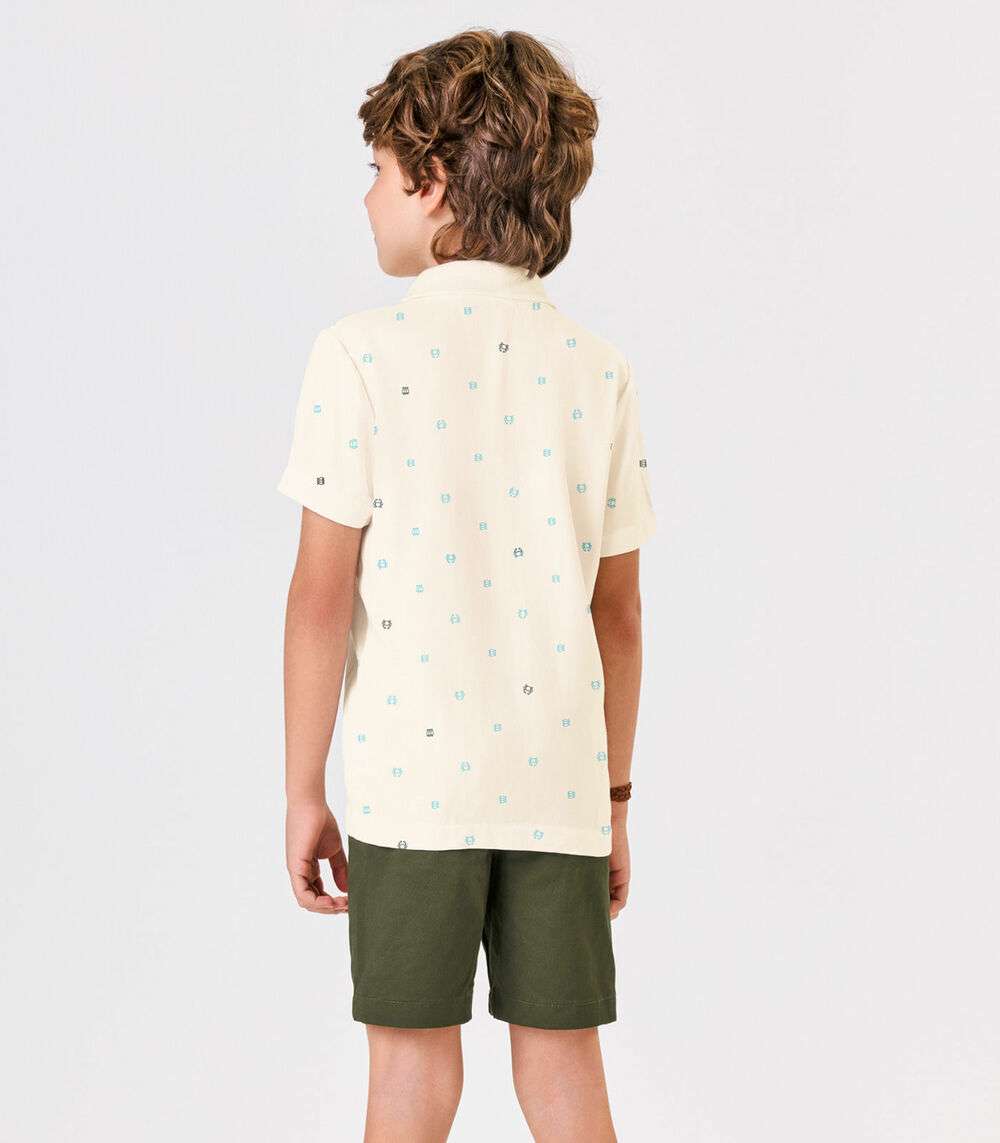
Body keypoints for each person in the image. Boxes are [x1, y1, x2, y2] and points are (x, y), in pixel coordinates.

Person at [276, 28, 656, 1142]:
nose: (367, 199)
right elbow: (619, 617)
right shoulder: (597, 370)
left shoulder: (358, 355)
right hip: (558, 787)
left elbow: (318, 598)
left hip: (413, 788)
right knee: (563, 1075)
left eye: (379, 172)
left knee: (409, 1076)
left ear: (432, 181)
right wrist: (613, 801)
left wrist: (304, 790)